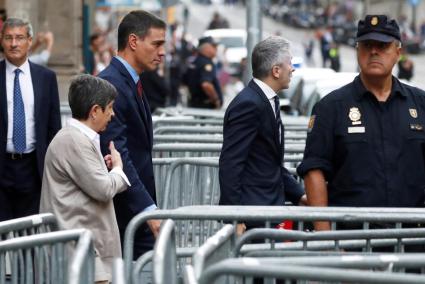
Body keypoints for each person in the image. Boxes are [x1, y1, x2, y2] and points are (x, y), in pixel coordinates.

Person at [297, 15, 425, 231]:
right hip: (351, 240)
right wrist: (326, 239)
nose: (374, 51)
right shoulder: (331, 107)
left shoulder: (420, 104)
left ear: (398, 53)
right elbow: (314, 171)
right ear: (357, 51)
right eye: (367, 45)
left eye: (383, 45)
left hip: (413, 239)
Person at [40, 74, 129, 283]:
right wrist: (117, 169)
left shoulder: (76, 138)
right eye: (110, 108)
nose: (112, 114)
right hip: (80, 253)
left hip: (85, 250)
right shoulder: (74, 140)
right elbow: (103, 188)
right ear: (95, 111)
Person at [219, 36, 306, 234]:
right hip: (253, 216)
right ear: (276, 70)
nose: (292, 69)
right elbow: (231, 162)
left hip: (266, 210)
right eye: (290, 63)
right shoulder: (249, 104)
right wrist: (235, 216)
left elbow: (269, 162)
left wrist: (300, 195)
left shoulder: (266, 101)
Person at [98, 10, 165, 258]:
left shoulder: (131, 81)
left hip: (134, 212)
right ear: (134, 42)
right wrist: (147, 209)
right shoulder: (112, 84)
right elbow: (118, 154)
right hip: (126, 214)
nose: (162, 52)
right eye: (156, 44)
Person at [0, 17, 61, 222]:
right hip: (2, 168)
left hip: (33, 169)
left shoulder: (46, 78)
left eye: (19, 37)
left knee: (29, 236)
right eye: (8, 38)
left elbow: (54, 128)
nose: (13, 43)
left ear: (30, 40)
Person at [184, 36, 223, 109]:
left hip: (194, 104)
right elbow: (206, 84)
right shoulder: (207, 63)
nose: (216, 49)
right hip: (205, 106)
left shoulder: (195, 62)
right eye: (213, 46)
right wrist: (216, 100)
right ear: (205, 48)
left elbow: (184, 82)